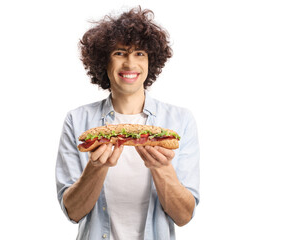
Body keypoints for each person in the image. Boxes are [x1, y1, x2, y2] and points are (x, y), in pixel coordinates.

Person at [56, 6, 200, 240]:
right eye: (120, 53)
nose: (130, 64)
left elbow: (184, 216)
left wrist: (162, 169)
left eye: (140, 53)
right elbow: (72, 212)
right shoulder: (77, 121)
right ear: (104, 61)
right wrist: (96, 168)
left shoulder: (180, 121)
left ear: (151, 61)